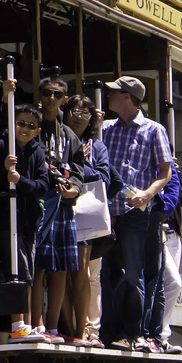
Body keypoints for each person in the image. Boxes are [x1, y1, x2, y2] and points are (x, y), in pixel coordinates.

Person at [99, 75, 174, 350]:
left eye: (114, 93)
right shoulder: (106, 128)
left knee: (134, 274)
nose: (108, 97)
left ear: (128, 97)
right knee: (106, 274)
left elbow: (165, 173)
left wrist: (147, 194)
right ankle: (107, 331)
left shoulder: (154, 130)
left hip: (136, 213)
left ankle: (134, 333)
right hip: (108, 213)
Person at [62, 95, 121, 346]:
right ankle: (67, 327)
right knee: (61, 273)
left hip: (87, 217)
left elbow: (106, 180)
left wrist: (82, 164)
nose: (79, 117)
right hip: (60, 211)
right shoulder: (57, 138)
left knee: (90, 275)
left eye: (85, 114)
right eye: (75, 111)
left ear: (91, 121)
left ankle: (90, 330)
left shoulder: (97, 147)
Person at [29, 77, 84, 340]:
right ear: (39, 96)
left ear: (64, 99)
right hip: (39, 203)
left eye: (57, 94)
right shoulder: (31, 125)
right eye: (47, 93)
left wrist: (73, 187)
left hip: (62, 205)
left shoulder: (69, 135)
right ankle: (37, 325)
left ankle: (53, 327)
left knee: (60, 268)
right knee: (38, 266)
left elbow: (79, 172)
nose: (52, 98)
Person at [2, 101, 58, 340]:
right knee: (17, 270)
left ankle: (23, 324)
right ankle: (17, 325)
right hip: (8, 218)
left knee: (28, 272)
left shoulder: (37, 152)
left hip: (29, 221)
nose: (24, 128)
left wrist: (19, 180)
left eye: (30, 125)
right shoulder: (3, 145)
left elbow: (43, 185)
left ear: (37, 130)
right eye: (21, 123)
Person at [154, 165, 182, 353]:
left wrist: (175, 171)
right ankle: (159, 336)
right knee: (173, 283)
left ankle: (163, 336)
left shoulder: (173, 174)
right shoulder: (150, 172)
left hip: (174, 237)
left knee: (168, 287)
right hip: (159, 233)